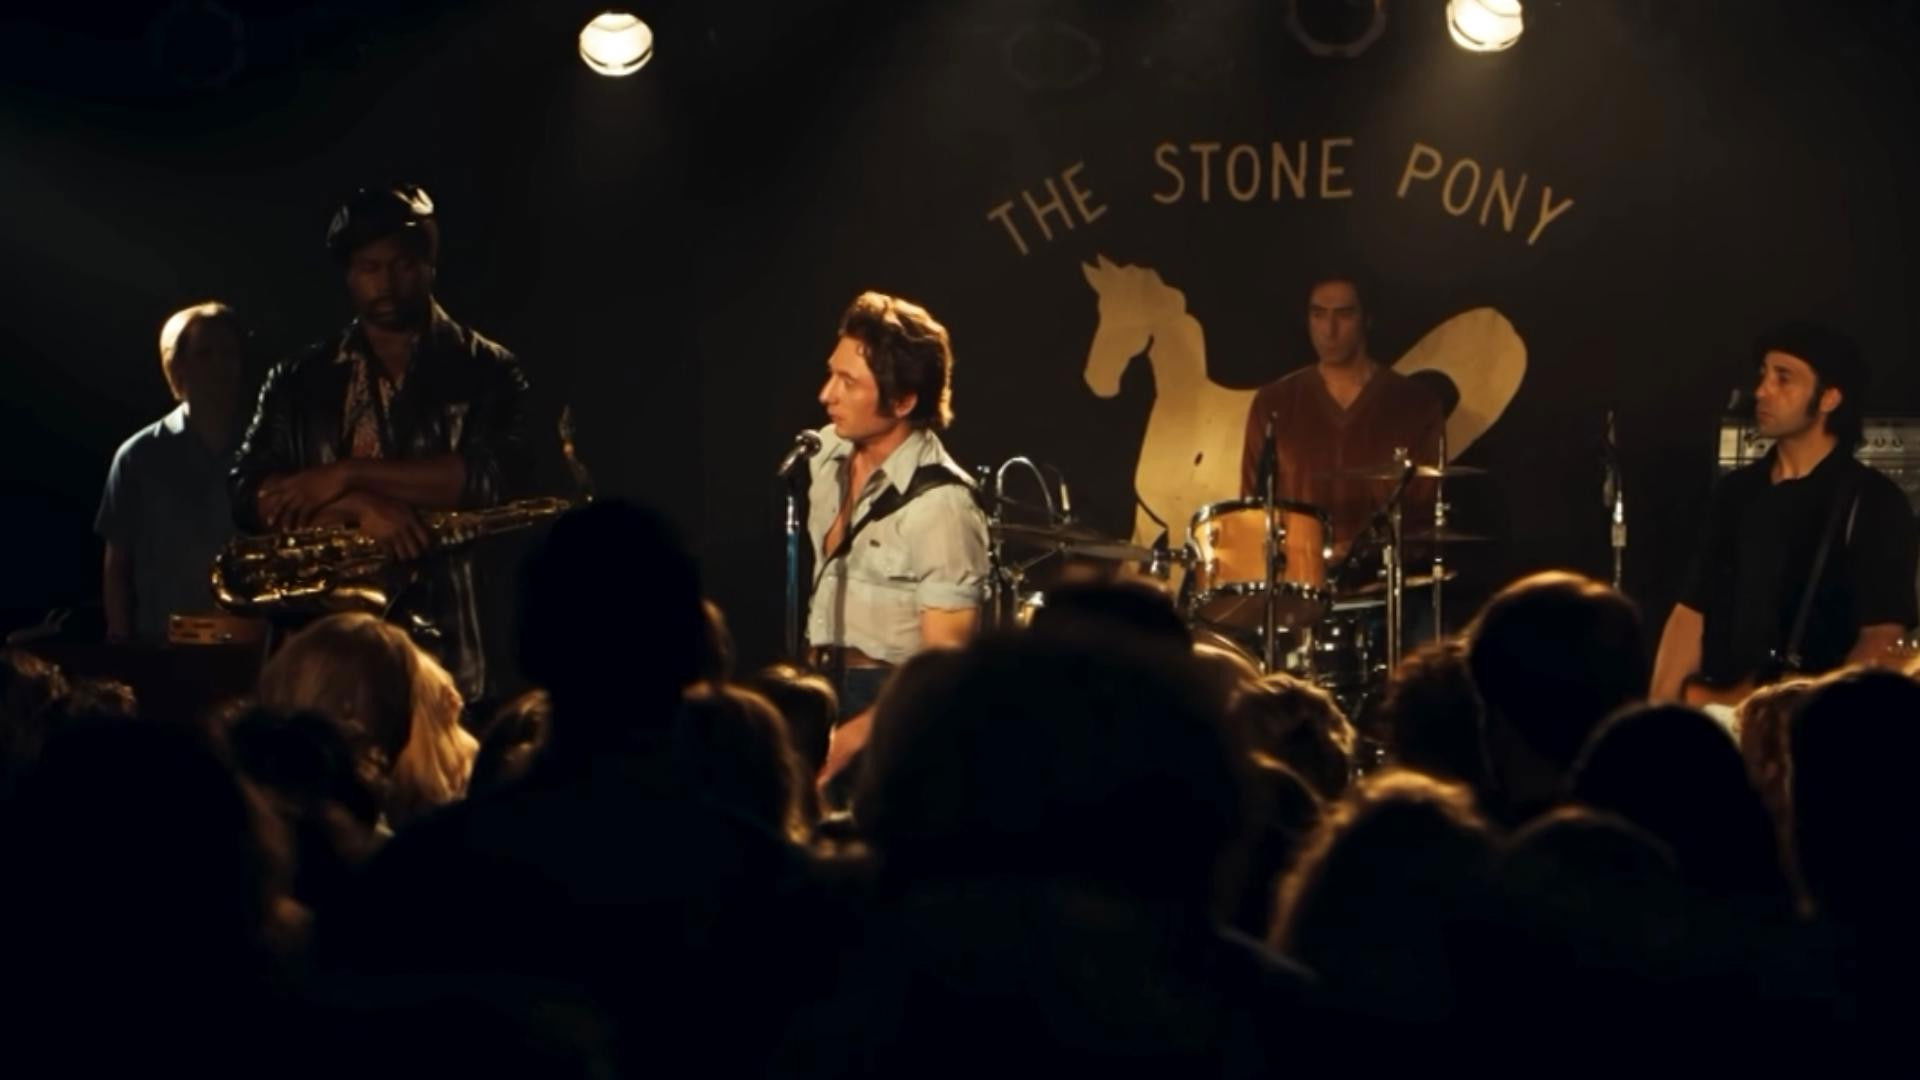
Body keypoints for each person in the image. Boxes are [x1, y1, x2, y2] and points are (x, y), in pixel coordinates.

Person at [229, 184, 532, 702]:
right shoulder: (298, 379)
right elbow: (247, 492)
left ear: (430, 265)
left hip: (456, 648)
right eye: (370, 267)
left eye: (403, 265)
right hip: (329, 651)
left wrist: (346, 474)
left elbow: (496, 478)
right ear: (349, 274)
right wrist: (361, 509)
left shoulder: (488, 369)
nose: (387, 283)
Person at [1651, 322, 1918, 703]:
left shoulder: (1872, 500)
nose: (1762, 391)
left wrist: (1816, 712)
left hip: (1812, 722)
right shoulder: (1736, 492)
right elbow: (1691, 611)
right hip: (1725, 710)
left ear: (1829, 398)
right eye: (1763, 375)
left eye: (1783, 378)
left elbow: (1881, 635)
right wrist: (1662, 710)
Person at [804, 291, 988, 787]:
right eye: (831, 373)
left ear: (904, 400)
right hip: (820, 685)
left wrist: (852, 739)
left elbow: (942, 670)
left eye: (848, 382)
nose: (826, 395)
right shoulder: (823, 455)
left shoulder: (943, 505)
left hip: (890, 707)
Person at [1239, 272, 1444, 566]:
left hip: (1384, 580)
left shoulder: (1414, 405)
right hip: (1298, 581)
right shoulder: (1274, 404)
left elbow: (1422, 513)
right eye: (1318, 315)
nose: (1329, 330)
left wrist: (1362, 550)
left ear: (1367, 319)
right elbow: (1250, 509)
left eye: (1344, 315)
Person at [98, 302, 248, 643]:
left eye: (229, 353)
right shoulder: (138, 457)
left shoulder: (268, 448)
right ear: (177, 366)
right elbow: (117, 566)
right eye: (205, 354)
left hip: (251, 646)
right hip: (163, 648)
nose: (220, 365)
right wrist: (120, 644)